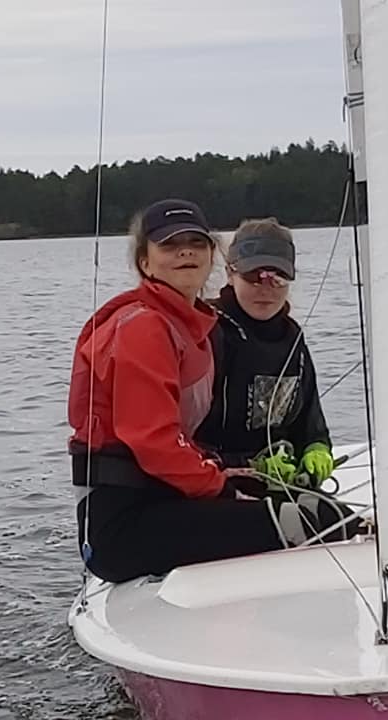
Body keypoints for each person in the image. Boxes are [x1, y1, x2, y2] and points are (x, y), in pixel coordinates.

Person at [67, 199, 325, 584]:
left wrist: (237, 473)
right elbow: (153, 441)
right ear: (145, 263)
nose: (185, 251)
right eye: (169, 245)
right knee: (311, 520)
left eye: (196, 243)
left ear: (212, 257)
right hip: (121, 526)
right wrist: (224, 490)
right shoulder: (143, 327)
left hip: (162, 500)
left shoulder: (189, 327)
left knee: (307, 510)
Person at [195, 218, 336, 486]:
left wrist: (316, 448)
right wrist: (250, 465)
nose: (266, 288)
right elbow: (181, 436)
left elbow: (310, 424)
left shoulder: (293, 339)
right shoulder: (206, 332)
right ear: (230, 273)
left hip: (281, 479)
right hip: (214, 480)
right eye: (253, 276)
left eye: (278, 277)